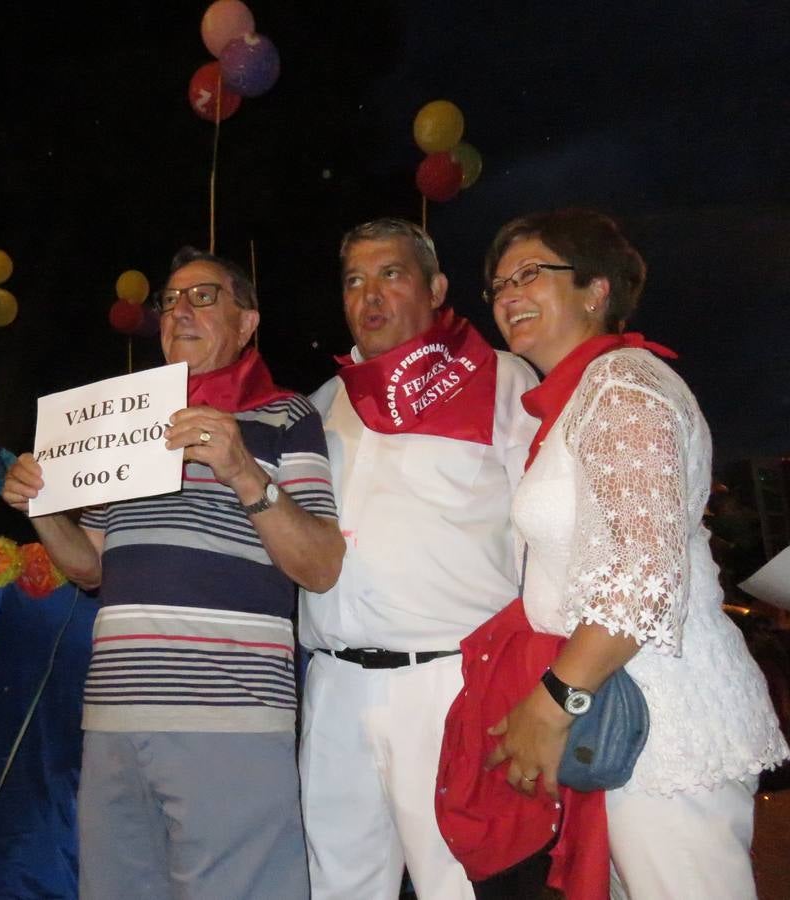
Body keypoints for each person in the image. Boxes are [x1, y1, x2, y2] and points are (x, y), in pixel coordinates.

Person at [1, 246, 345, 900]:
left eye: (203, 295)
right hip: (112, 722)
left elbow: (321, 564)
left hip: (230, 718)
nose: (179, 309)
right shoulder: (126, 423)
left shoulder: (284, 417)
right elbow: (90, 568)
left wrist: (243, 470)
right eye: (169, 300)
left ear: (247, 324)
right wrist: (41, 509)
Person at [479, 208, 789, 897]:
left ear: (597, 290)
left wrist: (552, 702)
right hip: (619, 715)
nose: (507, 296)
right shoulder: (579, 398)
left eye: (530, 273)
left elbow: (642, 573)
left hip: (663, 717)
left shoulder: (623, 387)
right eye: (498, 284)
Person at [297, 218, 540, 899]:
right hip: (335, 687)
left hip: (450, 686)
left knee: (455, 887)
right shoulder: (320, 406)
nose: (369, 294)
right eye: (353, 280)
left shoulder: (501, 380)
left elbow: (552, 536)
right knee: (337, 885)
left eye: (391, 274)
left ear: (436, 287)